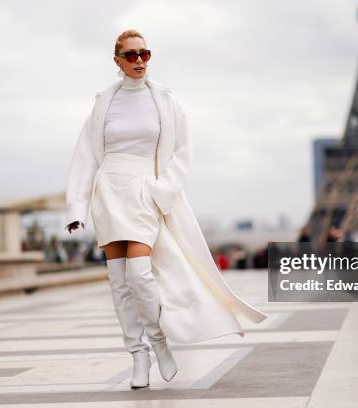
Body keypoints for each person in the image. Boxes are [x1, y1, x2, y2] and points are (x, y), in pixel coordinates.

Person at [64, 30, 267, 389]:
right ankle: (137, 355)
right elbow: (84, 154)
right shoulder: (104, 103)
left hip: (145, 192)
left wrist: (163, 190)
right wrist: (76, 207)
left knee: (141, 276)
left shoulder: (166, 100)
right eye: (131, 55)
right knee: (119, 283)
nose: (139, 60)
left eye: (145, 53)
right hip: (109, 191)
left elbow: (181, 152)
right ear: (117, 61)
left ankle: (159, 342)